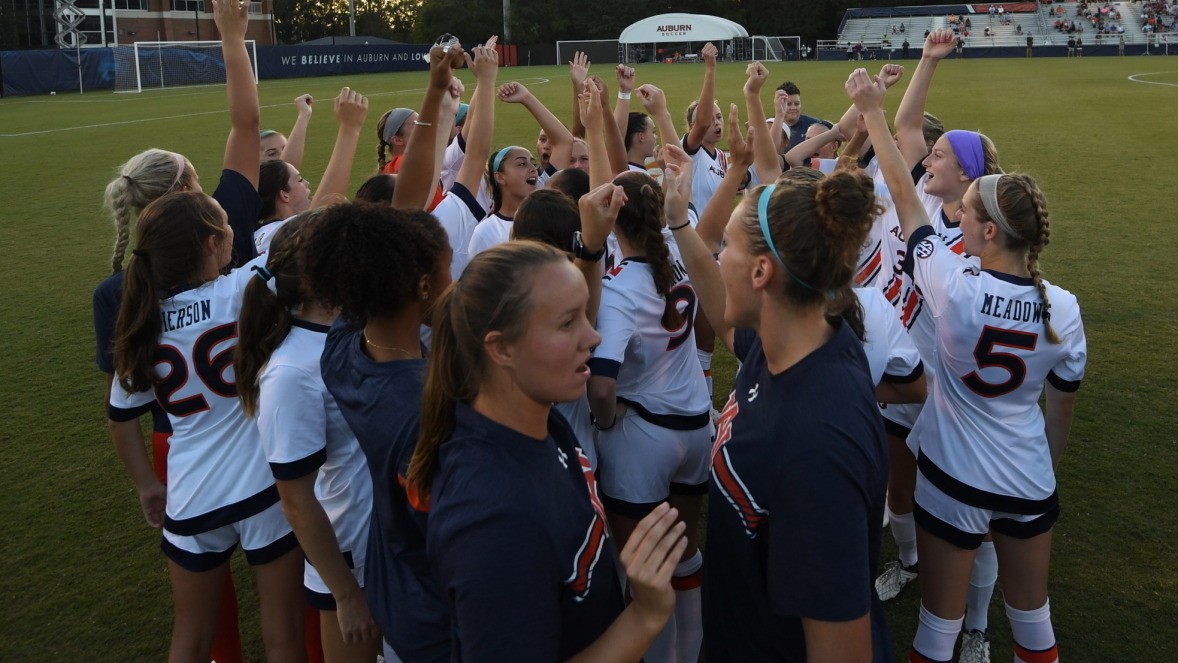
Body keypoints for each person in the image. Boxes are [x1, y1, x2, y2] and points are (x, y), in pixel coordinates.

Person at [849, 66, 1086, 663]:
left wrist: (872, 111)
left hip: (954, 474)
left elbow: (904, 198)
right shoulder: (1063, 307)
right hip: (1029, 477)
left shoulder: (953, 288)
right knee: (1035, 624)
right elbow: (1061, 414)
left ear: (984, 230)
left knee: (935, 630)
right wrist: (1042, 467)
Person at [661, 140, 891, 660]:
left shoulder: (815, 448)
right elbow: (722, 314)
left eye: (726, 248)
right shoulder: (797, 340)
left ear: (762, 273)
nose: (718, 258)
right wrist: (679, 224)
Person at [408, 241, 689, 661]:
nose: (593, 337)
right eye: (567, 323)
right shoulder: (492, 519)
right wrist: (645, 614)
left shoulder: (541, 417)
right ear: (501, 348)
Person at [98, 2, 264, 659]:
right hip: (253, 432)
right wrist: (232, 38)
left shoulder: (123, 287)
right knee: (287, 595)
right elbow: (246, 122)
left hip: (176, 447)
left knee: (203, 619)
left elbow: (121, 399)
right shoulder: (237, 231)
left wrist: (145, 481)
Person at [109, 192, 305, 662]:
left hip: (191, 496)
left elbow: (120, 416)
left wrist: (146, 486)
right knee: (284, 637)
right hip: (264, 493)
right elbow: (305, 231)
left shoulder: (143, 321)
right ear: (214, 242)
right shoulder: (241, 289)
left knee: (192, 639)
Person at [302, 202, 454, 663]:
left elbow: (373, 247)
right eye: (449, 271)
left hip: (395, 582)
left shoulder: (342, 348)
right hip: (436, 607)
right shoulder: (429, 405)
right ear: (423, 285)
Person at [234, 214, 381, 663]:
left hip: (390, 537)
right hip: (352, 555)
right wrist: (345, 595)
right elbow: (295, 500)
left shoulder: (353, 328)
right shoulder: (290, 373)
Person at [587, 172, 712, 663]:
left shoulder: (617, 290)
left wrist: (603, 419)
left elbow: (601, 384)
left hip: (643, 439)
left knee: (645, 575)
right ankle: (691, 651)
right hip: (695, 426)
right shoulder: (683, 247)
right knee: (685, 555)